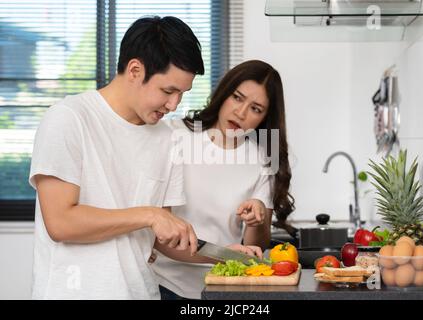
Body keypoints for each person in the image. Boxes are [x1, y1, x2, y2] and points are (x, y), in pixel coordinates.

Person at [29, 16, 260, 300]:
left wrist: (222, 254)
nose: (174, 104)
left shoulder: (167, 139)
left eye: (181, 94)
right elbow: (61, 222)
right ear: (135, 70)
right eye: (168, 90)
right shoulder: (68, 119)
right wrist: (149, 215)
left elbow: (164, 239)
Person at [153, 60, 295, 299]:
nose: (241, 113)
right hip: (165, 284)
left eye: (256, 109)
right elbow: (156, 228)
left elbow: (256, 247)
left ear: (264, 118)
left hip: (222, 286)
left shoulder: (262, 159)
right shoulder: (176, 135)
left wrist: (256, 218)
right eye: (237, 98)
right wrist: (223, 253)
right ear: (224, 93)